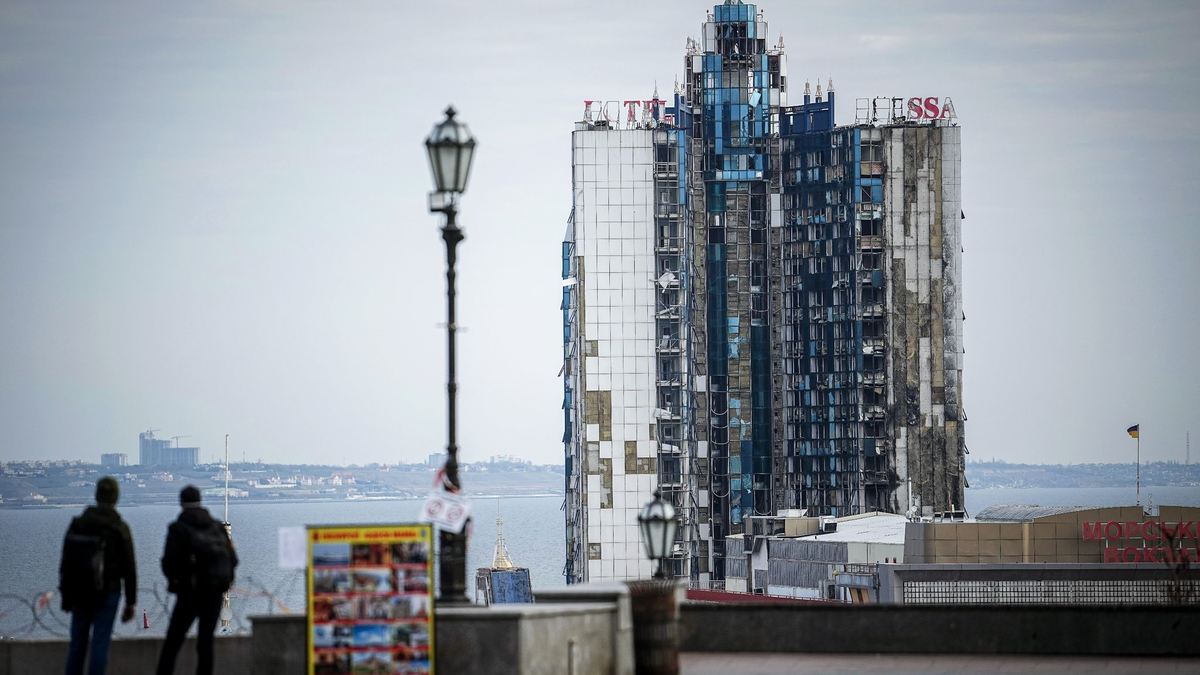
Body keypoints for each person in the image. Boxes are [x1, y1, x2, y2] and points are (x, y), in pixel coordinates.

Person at [155, 485, 238, 675]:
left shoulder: (178, 528)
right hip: (215, 594)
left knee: (173, 643)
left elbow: (169, 562)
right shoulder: (217, 527)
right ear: (200, 501)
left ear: (181, 503)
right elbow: (233, 559)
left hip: (188, 594)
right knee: (206, 643)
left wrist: (175, 584)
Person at [59, 476, 137, 675]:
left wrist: (66, 594)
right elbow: (129, 567)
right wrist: (131, 601)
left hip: (79, 591)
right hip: (108, 592)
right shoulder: (120, 527)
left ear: (96, 496)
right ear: (116, 498)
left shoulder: (78, 524)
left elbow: (66, 562)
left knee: (77, 644)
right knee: (100, 644)